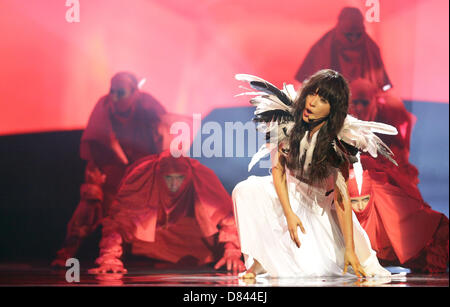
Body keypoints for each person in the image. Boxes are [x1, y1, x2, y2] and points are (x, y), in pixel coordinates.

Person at [233, 69, 393, 279]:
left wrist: (350, 249)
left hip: (319, 206)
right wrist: (289, 214)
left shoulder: (340, 141)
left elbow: (341, 197)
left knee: (313, 271)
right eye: (312, 94)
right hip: (287, 191)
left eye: (323, 99)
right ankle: (261, 259)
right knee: (245, 190)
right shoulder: (289, 124)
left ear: (333, 109)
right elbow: (278, 170)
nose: (312, 102)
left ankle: (275, 259)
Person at [52, 72, 166, 267]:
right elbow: (97, 146)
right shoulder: (104, 107)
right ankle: (67, 254)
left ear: (134, 93)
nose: (113, 97)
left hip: (143, 171)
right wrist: (94, 183)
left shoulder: (147, 106)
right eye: (111, 91)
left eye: (120, 93)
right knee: (90, 209)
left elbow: (163, 138)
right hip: (112, 170)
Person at [88, 151, 245, 274]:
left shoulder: (201, 178)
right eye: (168, 177)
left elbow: (227, 218)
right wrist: (109, 256)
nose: (174, 184)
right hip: (151, 245)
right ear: (159, 174)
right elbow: (119, 221)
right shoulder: (143, 178)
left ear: (188, 175)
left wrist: (232, 251)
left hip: (195, 245)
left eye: (179, 178)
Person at [348, 169, 449, 273]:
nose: (360, 207)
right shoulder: (338, 212)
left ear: (371, 196)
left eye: (365, 199)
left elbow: (436, 225)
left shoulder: (390, 206)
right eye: (354, 201)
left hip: (431, 250)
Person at [295, 7, 391, 91]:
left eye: (358, 35)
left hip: (362, 102)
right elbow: (305, 82)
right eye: (349, 34)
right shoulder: (322, 47)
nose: (353, 39)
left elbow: (384, 87)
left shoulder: (371, 48)